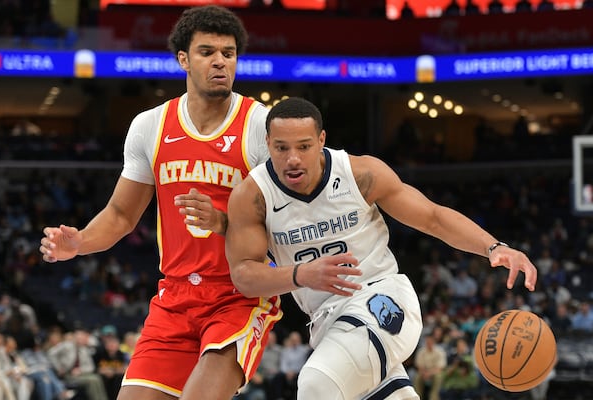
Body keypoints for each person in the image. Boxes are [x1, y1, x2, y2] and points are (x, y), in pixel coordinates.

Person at [39, 5, 282, 400]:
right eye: (207, 52)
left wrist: (223, 221)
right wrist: (80, 242)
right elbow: (120, 215)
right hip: (176, 297)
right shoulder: (150, 125)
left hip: (240, 294)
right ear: (183, 59)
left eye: (229, 52)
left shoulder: (259, 125)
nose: (220, 61)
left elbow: (286, 221)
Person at [225, 97, 538, 399]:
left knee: (316, 384)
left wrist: (493, 246)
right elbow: (244, 276)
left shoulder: (359, 174)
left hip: (381, 299)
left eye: (303, 146)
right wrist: (300, 274)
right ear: (267, 143)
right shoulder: (253, 196)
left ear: (321, 140)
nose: (292, 158)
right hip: (327, 322)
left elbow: (432, 218)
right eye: (281, 148)